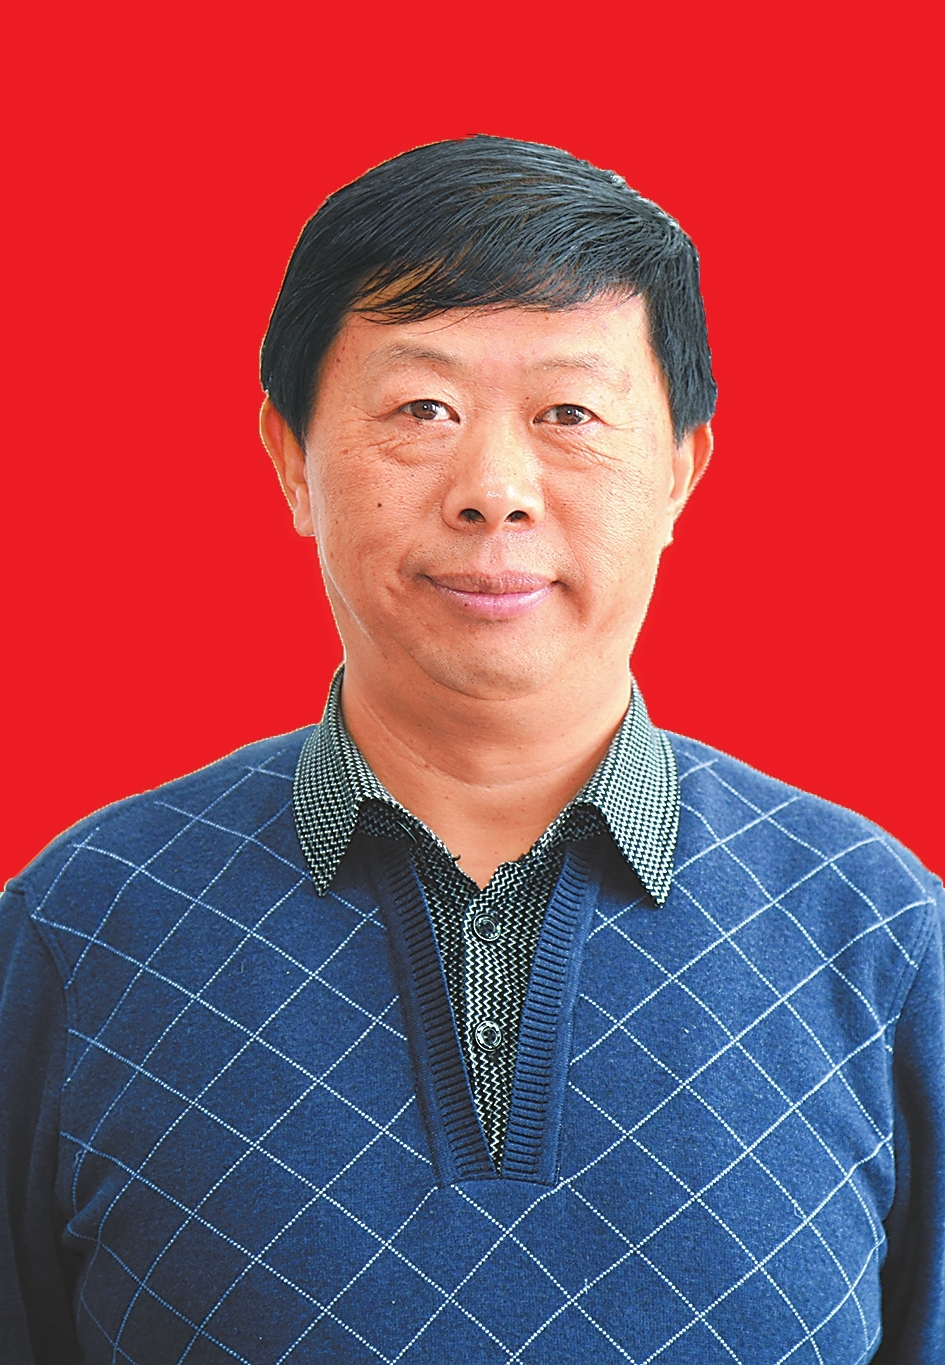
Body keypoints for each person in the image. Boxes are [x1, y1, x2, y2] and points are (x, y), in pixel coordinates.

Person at [1, 135, 941, 1365]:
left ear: (680, 471)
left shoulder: (877, 935)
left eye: (569, 414)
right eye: (422, 408)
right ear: (291, 458)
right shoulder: (81, 930)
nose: (494, 489)